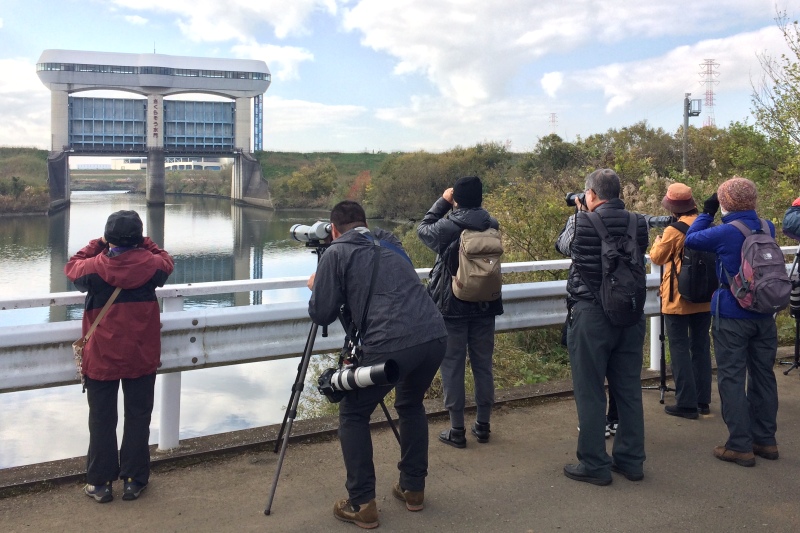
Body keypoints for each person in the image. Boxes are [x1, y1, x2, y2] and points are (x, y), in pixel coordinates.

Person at [307, 200, 447, 529]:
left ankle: (362, 503)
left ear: (334, 229)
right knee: (411, 403)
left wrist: (318, 283)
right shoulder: (390, 241)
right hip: (434, 335)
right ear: (364, 223)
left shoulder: (336, 253)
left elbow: (322, 313)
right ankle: (413, 489)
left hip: (390, 345)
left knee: (354, 413)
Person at [64, 210, 174, 503]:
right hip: (141, 354)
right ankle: (133, 481)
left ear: (108, 237)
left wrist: (99, 243)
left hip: (102, 355)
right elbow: (166, 260)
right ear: (139, 238)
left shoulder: (92, 269)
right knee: (138, 416)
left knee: (101, 419)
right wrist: (145, 242)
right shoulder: (152, 266)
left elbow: (72, 265)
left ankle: (99, 485)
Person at [555, 168, 649, 485]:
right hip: (630, 313)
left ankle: (595, 464)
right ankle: (631, 461)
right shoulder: (639, 223)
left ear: (591, 194)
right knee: (628, 390)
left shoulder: (580, 222)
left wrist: (578, 215)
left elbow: (564, 245)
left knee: (591, 391)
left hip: (591, 316)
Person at [685, 177, 779, 467]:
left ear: (725, 202)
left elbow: (691, 239)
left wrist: (707, 211)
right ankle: (765, 440)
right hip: (765, 314)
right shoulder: (768, 227)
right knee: (763, 375)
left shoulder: (725, 233)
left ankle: (739, 445)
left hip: (732, 314)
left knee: (732, 377)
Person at [417, 176, 503, 448]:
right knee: (483, 366)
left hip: (452, 307)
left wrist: (442, 202)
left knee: (452, 366)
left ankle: (456, 431)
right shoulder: (493, 224)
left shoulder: (448, 226)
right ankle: (483, 425)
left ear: (456, 199)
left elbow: (422, 228)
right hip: (486, 304)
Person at [648, 183, 712, 419]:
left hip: (678, 299)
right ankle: (703, 400)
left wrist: (657, 239)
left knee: (679, 348)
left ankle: (685, 403)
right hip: (705, 297)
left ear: (673, 208)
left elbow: (657, 257)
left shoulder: (675, 230)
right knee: (701, 347)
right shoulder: (706, 224)